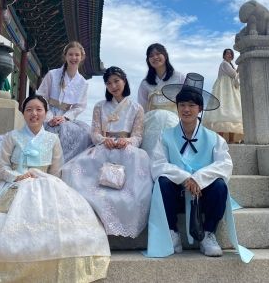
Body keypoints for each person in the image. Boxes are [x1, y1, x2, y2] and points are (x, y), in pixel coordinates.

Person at [0, 95, 110, 283]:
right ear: (23, 113)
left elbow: (56, 170)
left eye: (39, 109)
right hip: (15, 183)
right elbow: (0, 167)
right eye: (29, 110)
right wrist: (16, 176)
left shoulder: (52, 139)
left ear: (45, 113)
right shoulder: (13, 137)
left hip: (44, 183)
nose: (34, 113)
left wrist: (44, 180)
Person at [145, 73, 253, 263]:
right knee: (162, 182)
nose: (186, 109)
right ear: (177, 108)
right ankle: (172, 232)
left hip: (203, 194)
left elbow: (225, 164)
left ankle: (208, 234)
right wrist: (185, 178)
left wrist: (199, 178)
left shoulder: (214, 138)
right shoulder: (166, 136)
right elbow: (158, 165)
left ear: (200, 109)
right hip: (178, 192)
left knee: (220, 186)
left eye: (191, 105)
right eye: (182, 105)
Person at [62, 66, 152, 238]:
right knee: (71, 170)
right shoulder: (99, 106)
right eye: (109, 83)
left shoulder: (137, 108)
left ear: (124, 81)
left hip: (127, 149)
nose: (113, 86)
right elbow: (94, 133)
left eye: (116, 81)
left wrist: (126, 141)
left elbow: (138, 136)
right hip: (105, 146)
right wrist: (105, 140)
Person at [37, 41, 91, 161]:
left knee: (85, 134)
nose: (74, 58)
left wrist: (65, 118)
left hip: (65, 117)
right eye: (70, 54)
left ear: (81, 57)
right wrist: (49, 116)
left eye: (77, 55)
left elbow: (79, 107)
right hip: (46, 112)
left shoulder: (83, 83)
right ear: (65, 56)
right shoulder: (52, 74)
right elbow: (41, 97)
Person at [137, 43, 186, 155]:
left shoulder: (179, 77)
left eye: (158, 53)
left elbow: (187, 101)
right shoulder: (145, 84)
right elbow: (142, 108)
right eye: (151, 55)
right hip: (152, 123)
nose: (155, 57)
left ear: (165, 55)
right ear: (148, 60)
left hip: (175, 121)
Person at [203, 48, 244, 143]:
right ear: (224, 55)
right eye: (227, 54)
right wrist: (240, 68)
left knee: (228, 112)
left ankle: (230, 139)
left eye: (230, 54)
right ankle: (224, 139)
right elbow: (234, 75)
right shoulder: (224, 64)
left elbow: (235, 76)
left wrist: (238, 68)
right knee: (224, 112)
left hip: (229, 87)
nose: (229, 55)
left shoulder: (230, 64)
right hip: (225, 88)